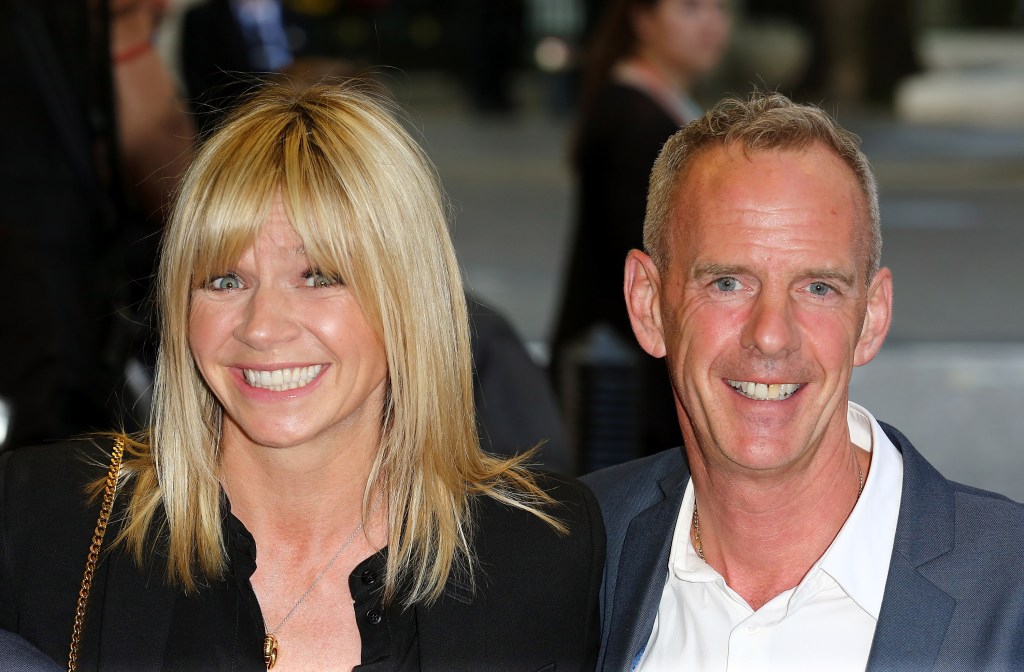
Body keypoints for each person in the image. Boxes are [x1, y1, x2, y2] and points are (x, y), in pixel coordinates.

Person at [0, 81, 603, 671]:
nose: (263, 328)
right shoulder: (44, 520)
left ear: (408, 299)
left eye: (318, 277)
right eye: (224, 280)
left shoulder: (543, 554)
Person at [582, 91, 1024, 671]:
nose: (770, 335)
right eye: (727, 283)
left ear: (872, 318)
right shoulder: (569, 554)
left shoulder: (1009, 592)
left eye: (818, 288)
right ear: (647, 304)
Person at [551, 0, 731, 466]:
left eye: (720, 8)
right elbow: (642, 255)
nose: (712, 23)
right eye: (690, 8)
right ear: (642, 19)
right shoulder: (635, 117)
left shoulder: (654, 104)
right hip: (627, 369)